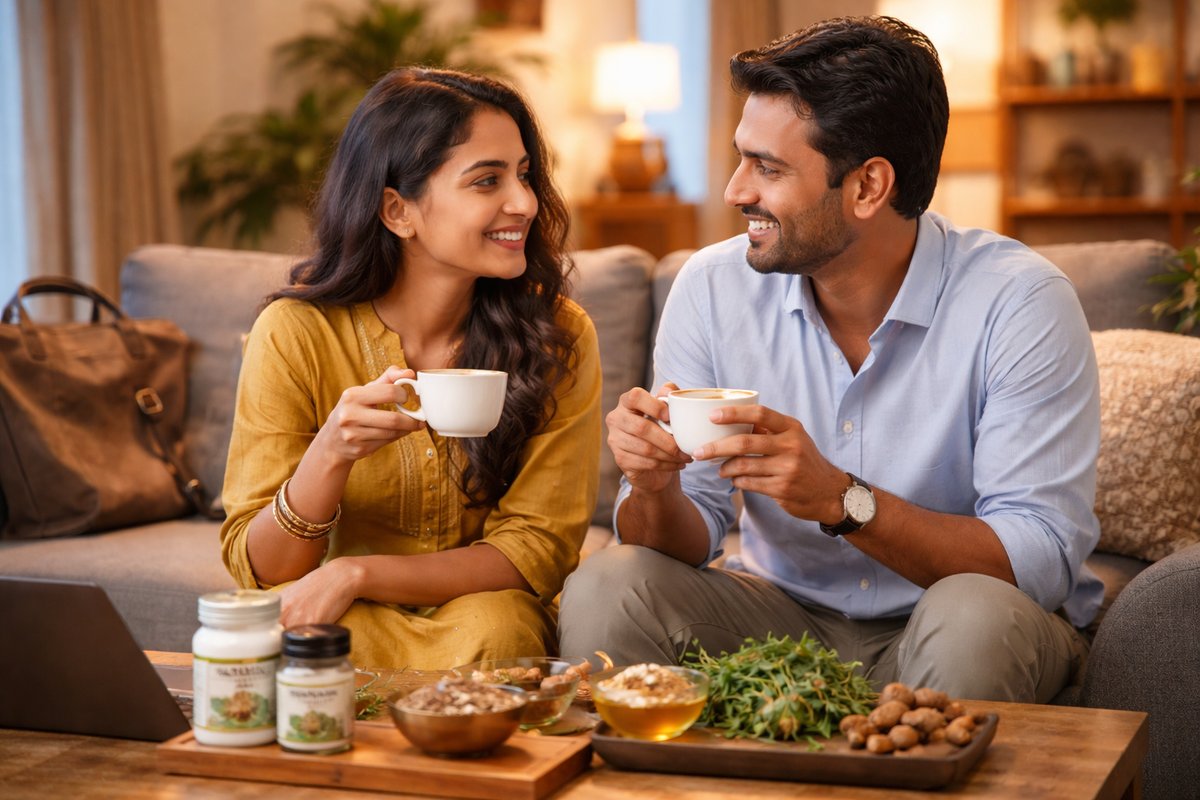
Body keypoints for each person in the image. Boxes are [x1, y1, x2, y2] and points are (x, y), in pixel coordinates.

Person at [559, 16, 1101, 703]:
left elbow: (1039, 560)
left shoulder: (1019, 301)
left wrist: (842, 500)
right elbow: (683, 538)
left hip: (954, 619)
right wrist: (655, 486)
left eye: (768, 167)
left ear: (869, 186)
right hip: (777, 618)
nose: (734, 191)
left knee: (974, 617)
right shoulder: (713, 287)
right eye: (740, 157)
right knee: (608, 583)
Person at [220, 68, 602, 670]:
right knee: (315, 638)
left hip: (477, 609)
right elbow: (263, 568)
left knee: (499, 630)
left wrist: (356, 572)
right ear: (398, 211)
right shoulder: (295, 333)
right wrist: (330, 456)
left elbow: (537, 550)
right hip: (337, 617)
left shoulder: (560, 334)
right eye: (487, 180)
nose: (525, 203)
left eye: (525, 175)